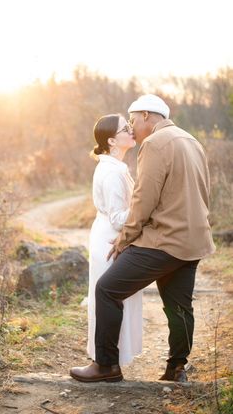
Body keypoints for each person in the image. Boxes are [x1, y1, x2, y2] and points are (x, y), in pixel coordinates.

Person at [70, 94, 215, 383]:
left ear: (147, 115)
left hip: (163, 242)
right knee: (180, 306)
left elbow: (143, 199)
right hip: (194, 241)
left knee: (107, 290)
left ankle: (107, 366)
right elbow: (203, 192)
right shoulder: (192, 141)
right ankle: (176, 370)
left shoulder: (154, 144)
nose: (134, 127)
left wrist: (126, 237)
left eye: (134, 119)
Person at [87, 114, 142, 367]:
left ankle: (112, 360)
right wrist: (149, 210)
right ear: (111, 140)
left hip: (113, 236)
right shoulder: (111, 172)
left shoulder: (116, 166)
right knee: (111, 300)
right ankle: (107, 362)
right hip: (110, 241)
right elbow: (119, 218)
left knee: (116, 300)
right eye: (125, 128)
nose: (131, 130)